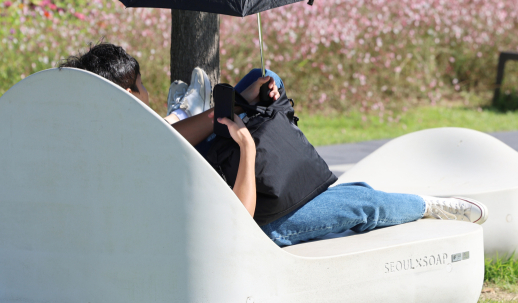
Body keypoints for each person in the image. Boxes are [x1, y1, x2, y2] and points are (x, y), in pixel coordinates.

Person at [59, 42, 488, 247]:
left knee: (265, 78)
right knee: (363, 203)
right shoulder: (137, 154)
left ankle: (201, 103)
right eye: (135, 89)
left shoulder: (125, 138)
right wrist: (246, 148)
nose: (141, 97)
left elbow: (180, 133)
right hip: (246, 231)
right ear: (117, 95)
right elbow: (238, 221)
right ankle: (429, 206)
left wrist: (243, 102)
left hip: (227, 195)